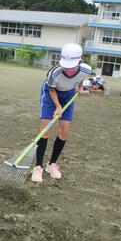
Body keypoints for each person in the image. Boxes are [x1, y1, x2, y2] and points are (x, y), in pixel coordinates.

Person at [31, 43, 91, 183]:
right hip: (51, 95)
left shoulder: (86, 69)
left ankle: (51, 164)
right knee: (45, 130)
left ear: (79, 62)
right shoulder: (54, 73)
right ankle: (38, 167)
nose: (68, 70)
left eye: (72, 67)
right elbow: (52, 90)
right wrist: (57, 107)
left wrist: (80, 87)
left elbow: (81, 77)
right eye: (66, 66)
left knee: (63, 132)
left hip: (68, 95)